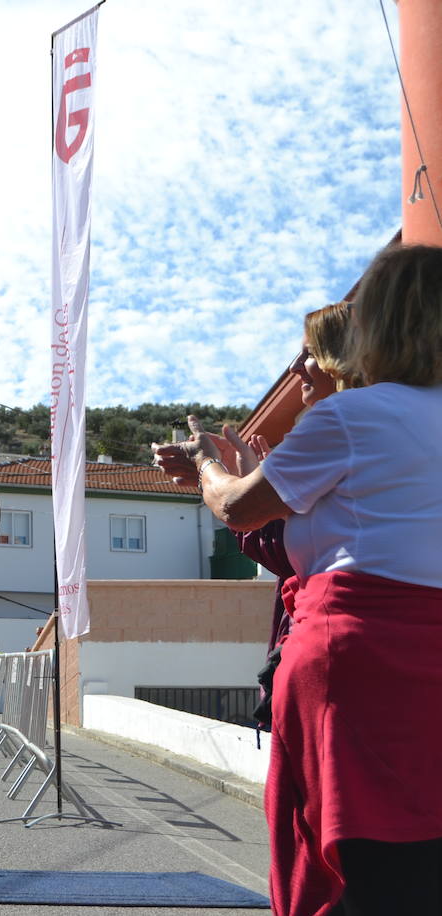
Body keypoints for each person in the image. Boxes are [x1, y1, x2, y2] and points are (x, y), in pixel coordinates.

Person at [158, 244, 442, 915]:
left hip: (358, 665)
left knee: (349, 873)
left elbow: (236, 507)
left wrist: (206, 464)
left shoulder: (352, 418)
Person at [155, 302, 358, 726]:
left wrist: (208, 465)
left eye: (309, 353)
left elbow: (237, 508)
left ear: (347, 357)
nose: (296, 369)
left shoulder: (340, 424)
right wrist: (230, 474)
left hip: (343, 662)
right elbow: (282, 548)